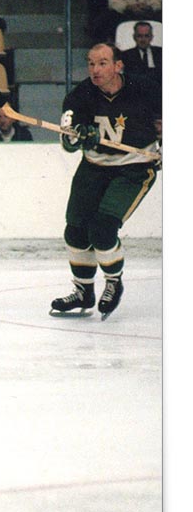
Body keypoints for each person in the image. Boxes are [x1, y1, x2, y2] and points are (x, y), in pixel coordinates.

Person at [49, 43, 161, 319]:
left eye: (102, 63)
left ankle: (113, 282)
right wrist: (79, 135)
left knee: (102, 229)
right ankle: (83, 291)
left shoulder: (145, 88)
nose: (95, 70)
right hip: (94, 167)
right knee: (75, 231)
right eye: (91, 63)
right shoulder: (79, 96)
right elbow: (67, 141)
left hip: (134, 169)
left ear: (118, 66)